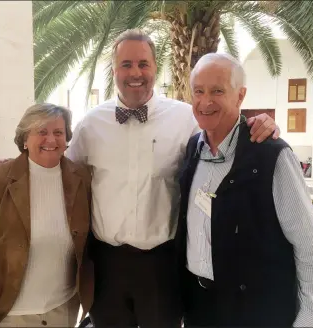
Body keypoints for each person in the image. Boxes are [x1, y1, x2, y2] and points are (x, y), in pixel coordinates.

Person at [66, 29, 280, 328]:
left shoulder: (187, 119)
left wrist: (257, 123)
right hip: (106, 266)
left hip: (163, 265)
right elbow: (65, 176)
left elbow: (225, 137)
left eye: (143, 64)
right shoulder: (90, 125)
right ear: (114, 71)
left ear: (155, 67)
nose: (135, 72)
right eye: (126, 64)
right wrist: (20, 163)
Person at [175, 53, 313, 327]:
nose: (205, 101)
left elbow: (311, 247)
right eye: (198, 91)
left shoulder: (271, 156)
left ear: (240, 96)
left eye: (217, 91)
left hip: (254, 312)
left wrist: (308, 318)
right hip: (199, 308)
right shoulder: (192, 149)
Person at [0, 104, 94, 327]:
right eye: (41, 132)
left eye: (58, 132)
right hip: (7, 314)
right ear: (25, 139)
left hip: (63, 310)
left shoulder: (80, 178)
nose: (51, 140)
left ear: (67, 139)